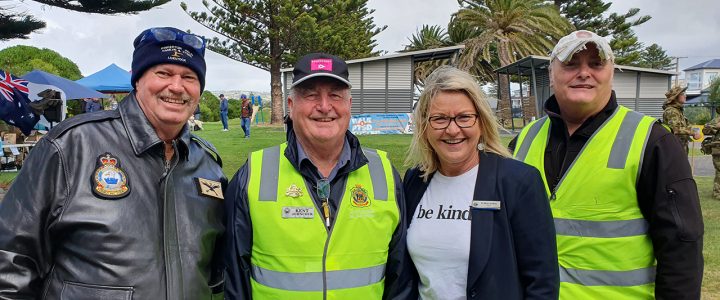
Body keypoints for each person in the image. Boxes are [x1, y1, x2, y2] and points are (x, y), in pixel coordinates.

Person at [0, 27, 226, 299]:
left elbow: (213, 274)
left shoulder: (208, 166)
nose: (177, 87)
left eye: (189, 77)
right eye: (163, 73)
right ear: (138, 80)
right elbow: (10, 260)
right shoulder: (71, 146)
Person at [511, 30, 704, 299]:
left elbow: (681, 246)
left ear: (611, 72)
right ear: (551, 73)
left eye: (596, 64)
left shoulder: (652, 141)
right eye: (570, 64)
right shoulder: (524, 140)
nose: (584, 72)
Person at [224, 53, 412, 299]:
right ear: (291, 106)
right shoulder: (254, 173)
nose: (324, 106)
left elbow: (401, 281)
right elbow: (234, 281)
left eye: (335, 95)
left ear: (349, 105)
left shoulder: (384, 173)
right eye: (311, 95)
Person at [404, 66, 558, 300]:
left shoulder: (518, 182)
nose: (453, 129)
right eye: (439, 119)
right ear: (425, 126)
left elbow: (542, 283)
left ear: (481, 122)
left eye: (464, 117)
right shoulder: (415, 181)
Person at [663, 85, 700, 154]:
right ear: (675, 97)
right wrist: (693, 133)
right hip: (674, 148)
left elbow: (683, 126)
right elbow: (675, 129)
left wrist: (692, 130)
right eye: (682, 94)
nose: (685, 96)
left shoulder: (678, 111)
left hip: (680, 147)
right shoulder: (671, 111)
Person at [703, 106, 720, 199]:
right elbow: (705, 130)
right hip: (718, 149)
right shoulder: (717, 120)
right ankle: (717, 193)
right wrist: (716, 126)